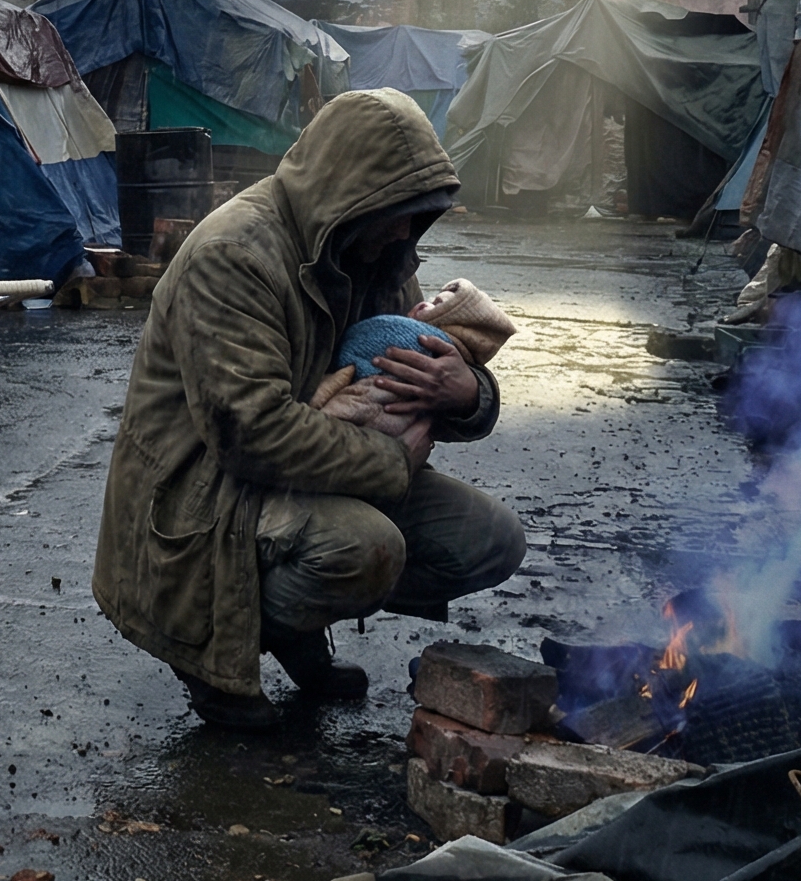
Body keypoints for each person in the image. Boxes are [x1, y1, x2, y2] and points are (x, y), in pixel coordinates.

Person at [91, 88, 527, 731]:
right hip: (207, 490)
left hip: (316, 466)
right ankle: (214, 659)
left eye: (418, 213)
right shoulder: (233, 255)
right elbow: (251, 433)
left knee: (490, 540)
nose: (409, 231)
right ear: (354, 194)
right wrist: (390, 462)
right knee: (363, 549)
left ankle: (295, 622)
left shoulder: (370, 249)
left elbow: (408, 376)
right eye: (399, 212)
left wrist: (465, 393)